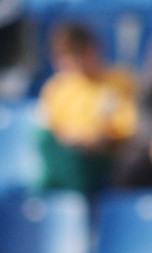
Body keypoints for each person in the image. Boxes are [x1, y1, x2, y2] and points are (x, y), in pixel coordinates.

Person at [34, 21, 138, 195]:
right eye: (70, 57)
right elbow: (50, 132)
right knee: (45, 144)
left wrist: (95, 139)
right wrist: (72, 139)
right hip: (68, 156)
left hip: (103, 157)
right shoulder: (56, 88)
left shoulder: (119, 81)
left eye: (82, 54)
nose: (78, 63)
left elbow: (125, 130)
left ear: (95, 49)